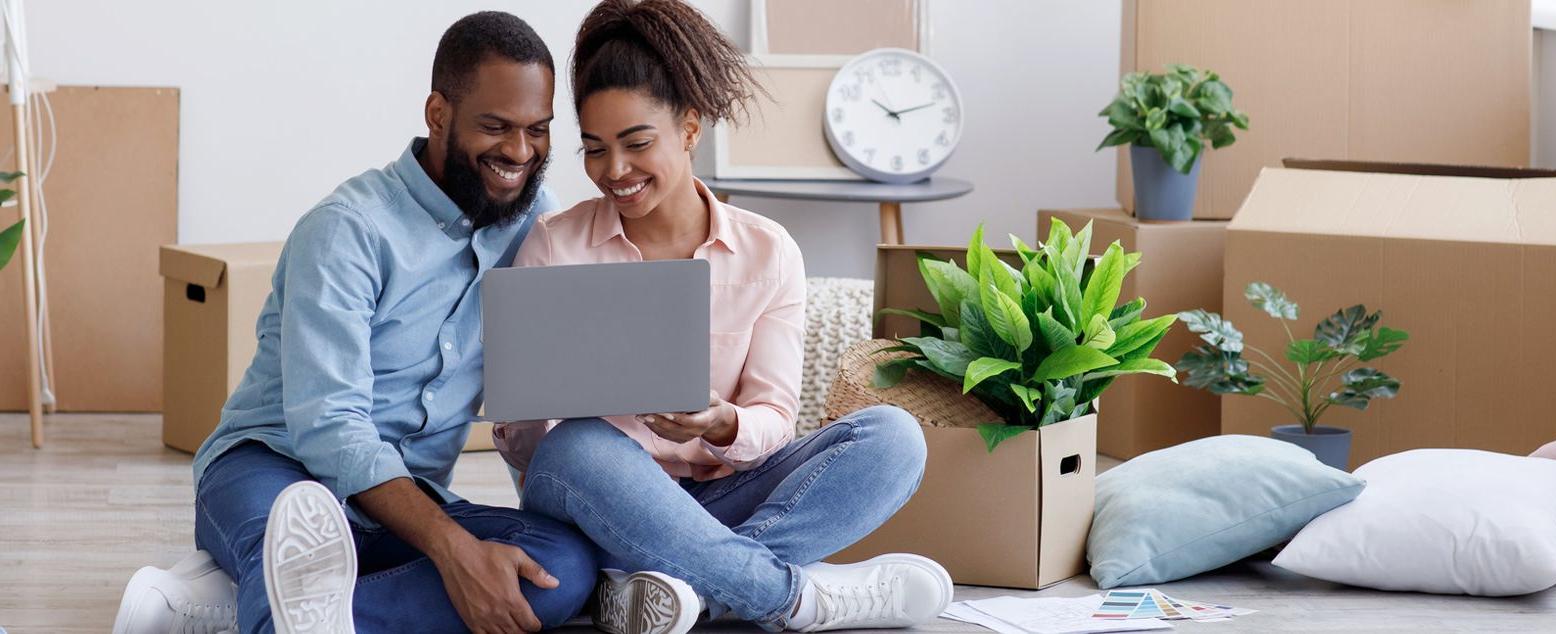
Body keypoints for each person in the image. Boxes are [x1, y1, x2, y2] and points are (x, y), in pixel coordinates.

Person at [114, 12, 598, 634]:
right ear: (438, 114)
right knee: (293, 554)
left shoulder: (536, 225)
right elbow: (328, 426)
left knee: (561, 568)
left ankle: (244, 606)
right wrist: (453, 553)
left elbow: (544, 386)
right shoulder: (348, 229)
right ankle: (281, 595)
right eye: (495, 128)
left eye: (537, 130)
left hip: (405, 503)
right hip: (275, 468)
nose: (520, 152)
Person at [494, 1, 952, 633]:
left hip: (722, 500)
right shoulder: (554, 244)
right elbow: (529, 450)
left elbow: (774, 418)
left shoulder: (768, 251)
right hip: (597, 503)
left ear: (689, 129)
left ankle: (682, 589)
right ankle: (791, 598)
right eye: (595, 150)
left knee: (894, 437)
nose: (614, 172)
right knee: (579, 445)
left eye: (637, 143)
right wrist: (520, 400)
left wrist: (719, 422)